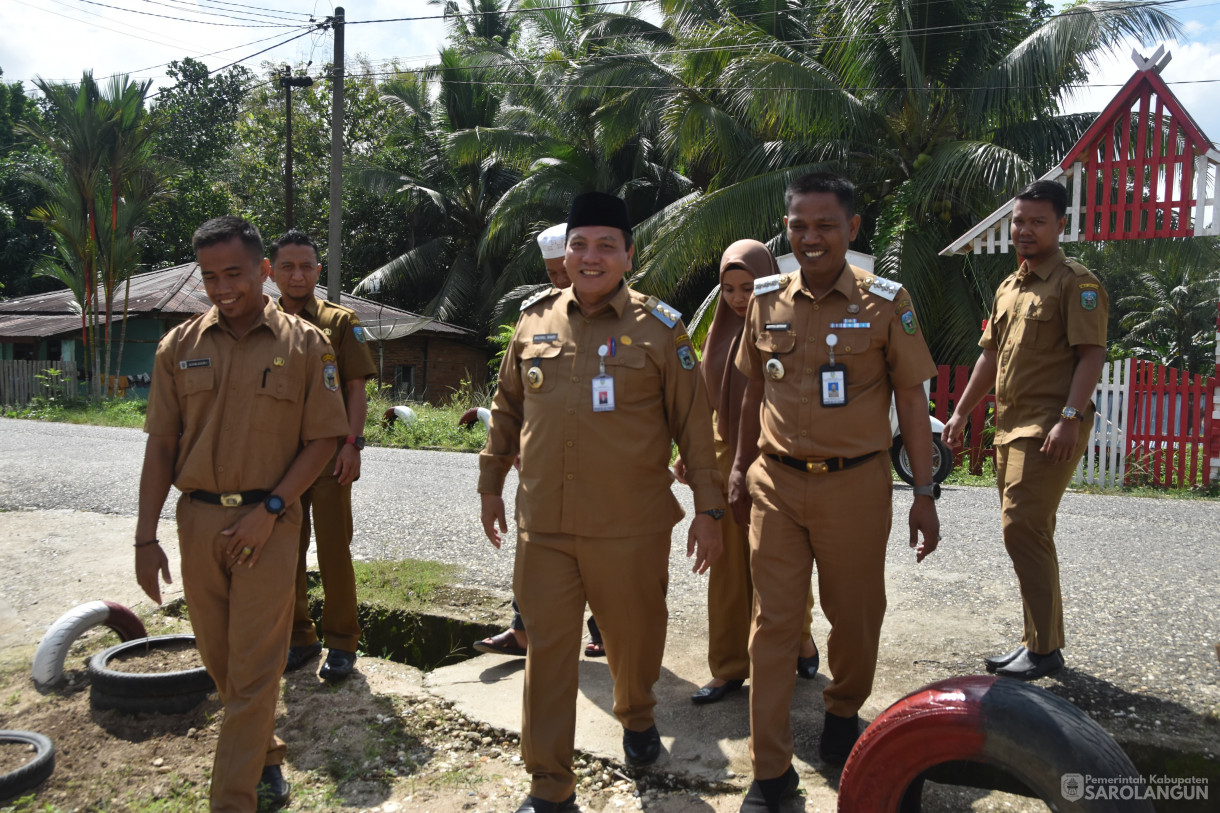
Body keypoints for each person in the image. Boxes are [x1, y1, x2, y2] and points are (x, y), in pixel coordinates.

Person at [478, 191, 724, 813]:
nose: (590, 257)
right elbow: (507, 411)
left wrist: (711, 510)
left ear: (627, 256)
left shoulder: (663, 329)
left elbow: (698, 428)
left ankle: (637, 715)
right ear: (568, 253)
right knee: (548, 659)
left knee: (635, 643)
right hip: (546, 528)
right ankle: (549, 788)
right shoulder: (534, 322)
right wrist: (489, 485)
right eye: (579, 244)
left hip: (631, 528)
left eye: (605, 246)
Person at [729, 173, 940, 811]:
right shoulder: (766, 300)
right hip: (777, 484)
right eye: (799, 226)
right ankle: (769, 773)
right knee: (773, 623)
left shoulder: (886, 302)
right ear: (786, 229)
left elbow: (910, 396)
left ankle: (843, 711)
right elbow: (750, 391)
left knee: (855, 614)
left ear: (852, 229)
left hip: (857, 484)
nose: (811, 237)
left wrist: (924, 491)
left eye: (825, 225)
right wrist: (740, 466)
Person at [134, 216, 349, 811]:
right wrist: (144, 538)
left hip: (269, 524)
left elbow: (322, 441)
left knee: (255, 669)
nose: (222, 287)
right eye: (209, 277)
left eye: (234, 273)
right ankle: (267, 754)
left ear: (261, 271)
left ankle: (233, 797)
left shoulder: (307, 345)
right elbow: (160, 446)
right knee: (223, 661)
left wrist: (273, 508)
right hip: (198, 521)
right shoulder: (177, 347)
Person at [942, 179, 1107, 681]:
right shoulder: (1010, 286)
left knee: (1021, 528)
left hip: (1051, 427)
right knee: (1031, 532)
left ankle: (1044, 649)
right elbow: (989, 357)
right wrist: (962, 411)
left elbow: (1092, 355)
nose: (1024, 230)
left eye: (1037, 221)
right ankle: (1038, 641)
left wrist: (1070, 419)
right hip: (1009, 427)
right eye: (1019, 221)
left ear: (1061, 224)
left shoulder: (1076, 283)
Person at [674, 240, 820, 706]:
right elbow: (699, 407)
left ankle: (799, 637)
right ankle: (728, 668)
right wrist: (690, 456)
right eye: (729, 288)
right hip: (722, 462)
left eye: (749, 287)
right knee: (727, 570)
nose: (739, 298)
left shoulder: (788, 328)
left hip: (774, 460)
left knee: (779, 564)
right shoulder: (714, 339)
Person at [474, 223, 605, 660]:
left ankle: (605, 628)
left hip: (605, 468)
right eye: (553, 275)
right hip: (544, 466)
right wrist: (496, 472)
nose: (562, 282)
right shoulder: (535, 319)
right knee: (535, 551)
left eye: (564, 271)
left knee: (603, 552)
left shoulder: (632, 319)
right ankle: (524, 628)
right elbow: (509, 400)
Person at [271, 230, 378, 682]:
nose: (298, 275)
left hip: (332, 458)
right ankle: (299, 636)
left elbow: (355, 389)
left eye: (306, 267)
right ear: (270, 272)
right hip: (279, 460)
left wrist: (353, 445)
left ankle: (341, 642)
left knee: (335, 551)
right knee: (285, 553)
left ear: (319, 270)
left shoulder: (340, 321)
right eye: (287, 267)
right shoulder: (260, 322)